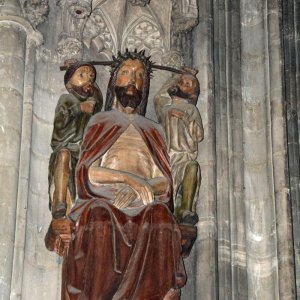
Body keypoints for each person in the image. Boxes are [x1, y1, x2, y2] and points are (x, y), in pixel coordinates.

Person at [45, 50, 186, 300]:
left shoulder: (153, 129)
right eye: (126, 73)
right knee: (98, 217)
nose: (134, 79)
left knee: (161, 215)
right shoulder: (100, 121)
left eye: (140, 75)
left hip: (144, 203)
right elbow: (89, 173)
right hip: (103, 200)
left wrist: (139, 187)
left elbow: (164, 181)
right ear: (114, 82)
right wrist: (128, 179)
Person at [48, 60, 103, 219]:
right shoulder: (67, 99)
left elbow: (98, 98)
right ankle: (60, 201)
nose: (88, 80)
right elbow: (60, 122)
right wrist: (79, 108)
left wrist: (93, 88)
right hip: (66, 147)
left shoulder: (92, 103)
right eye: (82, 75)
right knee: (64, 155)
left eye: (91, 77)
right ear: (69, 83)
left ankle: (93, 205)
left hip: (84, 151)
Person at [154, 68, 204, 225]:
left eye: (189, 84)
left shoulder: (191, 109)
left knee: (192, 168)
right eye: (182, 82)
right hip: (167, 156)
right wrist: (176, 76)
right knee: (166, 185)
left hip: (185, 154)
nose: (184, 85)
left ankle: (185, 209)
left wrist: (185, 117)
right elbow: (158, 97)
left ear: (193, 92)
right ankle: (167, 210)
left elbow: (199, 135)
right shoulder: (165, 109)